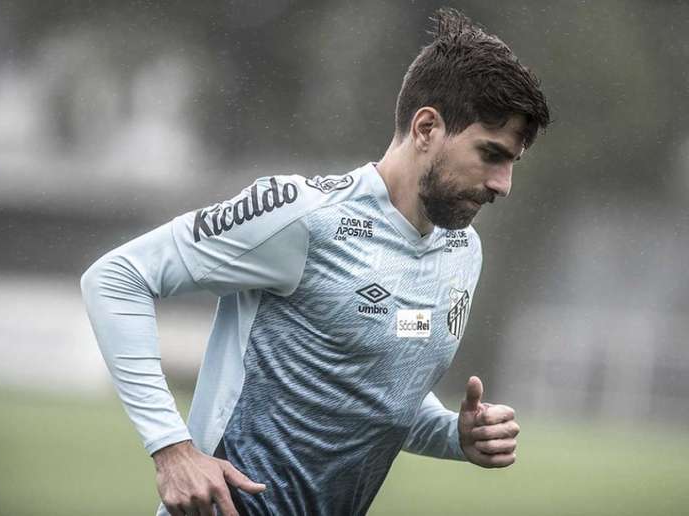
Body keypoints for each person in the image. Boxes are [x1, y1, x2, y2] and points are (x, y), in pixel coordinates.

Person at [81, 7, 550, 516]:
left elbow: (368, 394)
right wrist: (171, 447)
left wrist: (453, 435)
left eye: (512, 163)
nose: (503, 185)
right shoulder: (302, 216)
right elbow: (116, 277)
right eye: (490, 154)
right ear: (426, 128)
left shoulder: (462, 250)